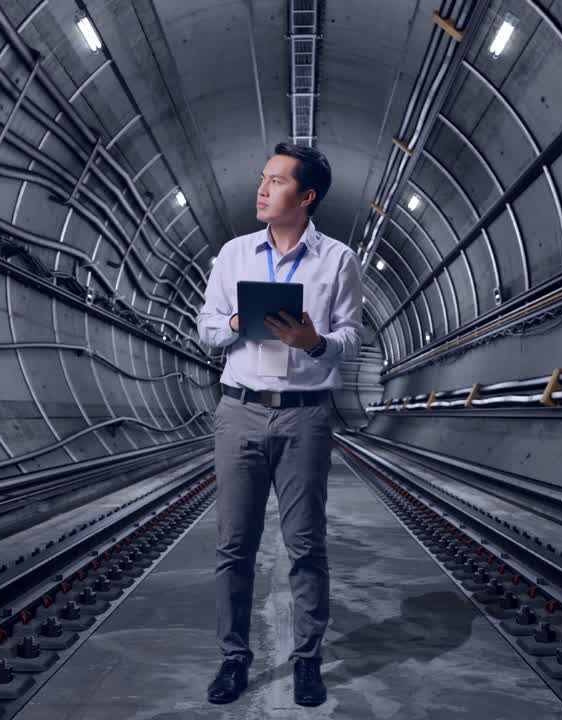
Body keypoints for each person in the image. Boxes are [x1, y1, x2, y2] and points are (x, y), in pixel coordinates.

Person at [195, 142, 364, 707]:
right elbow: (207, 327)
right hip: (238, 408)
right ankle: (234, 659)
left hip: (305, 417)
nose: (262, 189)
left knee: (306, 546)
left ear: (307, 196)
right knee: (233, 546)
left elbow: (350, 338)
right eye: (263, 178)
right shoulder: (234, 254)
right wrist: (239, 322)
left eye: (276, 182)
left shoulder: (337, 260)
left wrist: (311, 341)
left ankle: (307, 661)